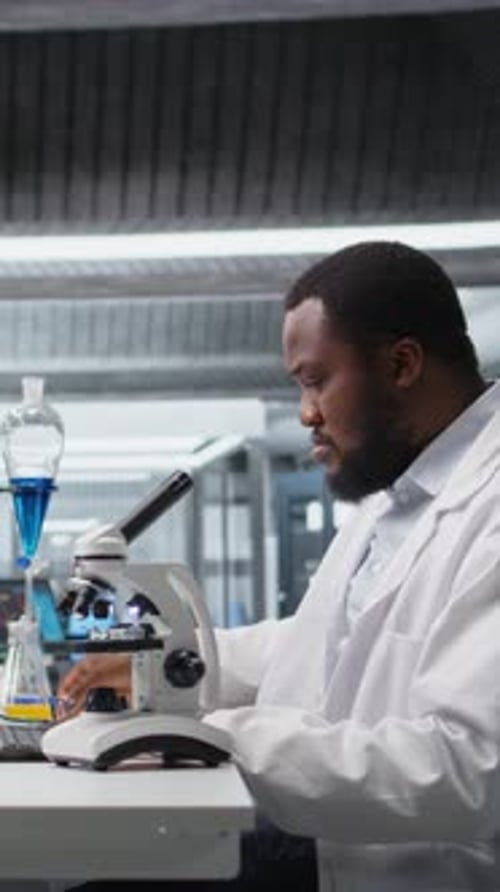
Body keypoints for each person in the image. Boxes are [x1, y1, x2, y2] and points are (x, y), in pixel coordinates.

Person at [58, 241, 500, 892]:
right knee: (95, 866)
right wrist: (157, 664)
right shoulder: (400, 496)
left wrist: (205, 735)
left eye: (316, 380)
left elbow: (467, 766)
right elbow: (321, 641)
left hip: (416, 869)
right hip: (333, 844)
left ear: (402, 364)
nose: (306, 414)